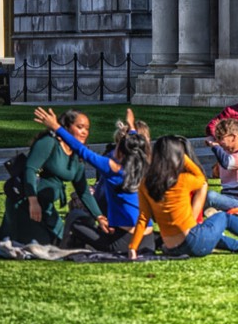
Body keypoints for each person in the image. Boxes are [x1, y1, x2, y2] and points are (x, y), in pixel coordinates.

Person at [129, 135, 238, 259]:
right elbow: (201, 178)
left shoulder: (145, 183)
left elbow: (143, 218)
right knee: (223, 218)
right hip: (193, 242)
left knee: (210, 229)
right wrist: (183, 158)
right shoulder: (183, 180)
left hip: (170, 248)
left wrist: (133, 248)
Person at [32, 107, 154, 254]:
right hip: (148, 241)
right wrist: (131, 126)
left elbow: (81, 150)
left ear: (121, 152)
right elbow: (136, 145)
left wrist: (56, 127)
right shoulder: (145, 168)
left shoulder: (113, 168)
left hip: (122, 243)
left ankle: (63, 251)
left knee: (75, 219)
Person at [0, 109, 105, 247]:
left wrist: (99, 217)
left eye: (87, 129)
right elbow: (30, 168)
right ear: (66, 127)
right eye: (79, 127)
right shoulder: (49, 142)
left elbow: (83, 191)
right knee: (31, 245)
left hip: (46, 207)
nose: (84, 132)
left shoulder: (76, 155)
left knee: (60, 243)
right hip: (26, 203)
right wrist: (33, 201)